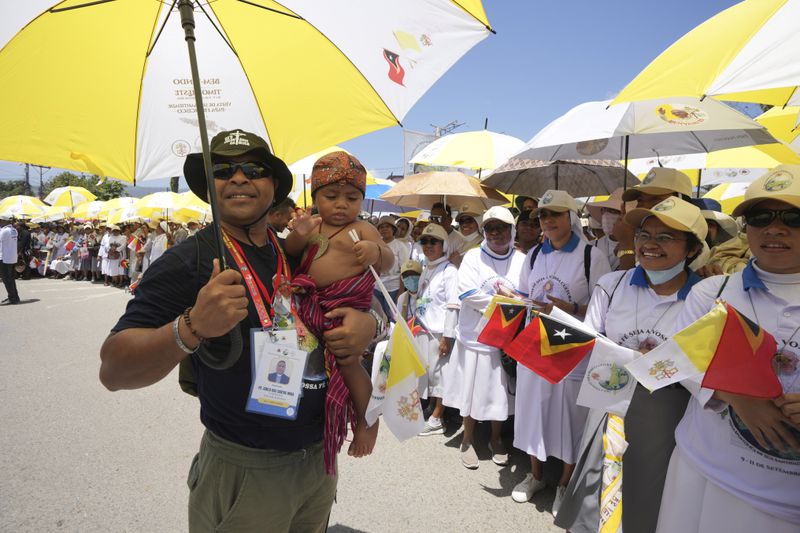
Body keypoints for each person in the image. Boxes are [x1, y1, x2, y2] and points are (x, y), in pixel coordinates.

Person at [99, 130, 384, 533]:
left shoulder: (291, 250)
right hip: (247, 470)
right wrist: (192, 327)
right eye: (222, 170)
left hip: (320, 461)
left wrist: (370, 324)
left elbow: (356, 290)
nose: (238, 178)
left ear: (273, 186)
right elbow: (113, 371)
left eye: (254, 169)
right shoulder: (189, 262)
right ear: (209, 186)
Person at [655, 166, 800, 533]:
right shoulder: (712, 292)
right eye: (760, 216)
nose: (775, 228)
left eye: (794, 218)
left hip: (784, 501)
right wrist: (734, 396)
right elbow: (675, 361)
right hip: (699, 469)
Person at [555, 195, 708, 532]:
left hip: (666, 416)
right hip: (608, 407)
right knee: (597, 496)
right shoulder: (611, 286)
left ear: (693, 249)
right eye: (643, 235)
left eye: (666, 237)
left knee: (649, 500)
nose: (650, 245)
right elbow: (589, 341)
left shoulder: (707, 300)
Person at [285, 151, 394, 461]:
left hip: (344, 304)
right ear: (315, 196)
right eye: (331, 196)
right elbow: (292, 250)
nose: (341, 204)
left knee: (349, 361)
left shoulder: (363, 229)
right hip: (310, 306)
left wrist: (375, 251)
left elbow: (388, 261)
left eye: (351, 197)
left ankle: (367, 420)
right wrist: (299, 233)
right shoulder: (313, 225)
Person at [511, 190, 611, 513]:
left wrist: (571, 308)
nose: (548, 220)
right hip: (535, 346)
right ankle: (536, 474)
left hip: (573, 350)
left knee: (568, 416)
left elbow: (602, 306)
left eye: (555, 213)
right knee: (533, 411)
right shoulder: (534, 255)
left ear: (571, 217)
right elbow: (524, 293)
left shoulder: (591, 256)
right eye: (542, 215)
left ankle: (565, 484)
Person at [443, 206, 526, 469]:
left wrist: (517, 301)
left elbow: (526, 295)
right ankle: (467, 439)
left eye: (502, 228)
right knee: (470, 392)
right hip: (474, 337)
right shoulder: (472, 257)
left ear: (512, 231)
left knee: (498, 394)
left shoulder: (523, 260)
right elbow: (468, 293)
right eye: (490, 228)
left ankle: (495, 438)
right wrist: (507, 301)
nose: (496, 234)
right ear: (484, 231)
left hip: (505, 341)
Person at [413, 224, 459, 437]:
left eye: (434, 242)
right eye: (424, 241)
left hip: (439, 332)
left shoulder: (450, 271)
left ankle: (438, 418)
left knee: (441, 376)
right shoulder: (427, 269)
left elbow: (453, 305)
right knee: (429, 375)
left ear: (444, 245)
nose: (428, 246)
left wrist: (448, 337)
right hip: (423, 330)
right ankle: (431, 407)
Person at [614, 167, 694, 270]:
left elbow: (627, 284)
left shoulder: (692, 241)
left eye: (656, 199)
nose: (645, 207)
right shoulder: (637, 237)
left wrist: (626, 246)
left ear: (683, 203)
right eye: (640, 200)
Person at [586, 187, 635, 270]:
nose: (607, 214)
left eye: (614, 211)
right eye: (605, 210)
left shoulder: (640, 248)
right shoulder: (589, 247)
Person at [373, 215, 411, 319]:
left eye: (387, 227)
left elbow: (405, 270)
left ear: (393, 229)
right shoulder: (375, 244)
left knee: (392, 316)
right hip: (377, 287)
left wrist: (401, 292)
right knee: (378, 317)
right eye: (381, 227)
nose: (384, 229)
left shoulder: (400, 246)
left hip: (394, 288)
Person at [430, 202, 466, 267]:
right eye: (432, 218)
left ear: (450, 220)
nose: (435, 222)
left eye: (438, 218)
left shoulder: (460, 240)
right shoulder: (430, 238)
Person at [0, 215, 20, 304]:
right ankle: (15, 297)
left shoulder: (5, 231)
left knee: (6, 279)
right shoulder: (14, 230)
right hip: (11, 257)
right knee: (11, 279)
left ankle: (12, 298)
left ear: (4, 221)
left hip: (4, 258)